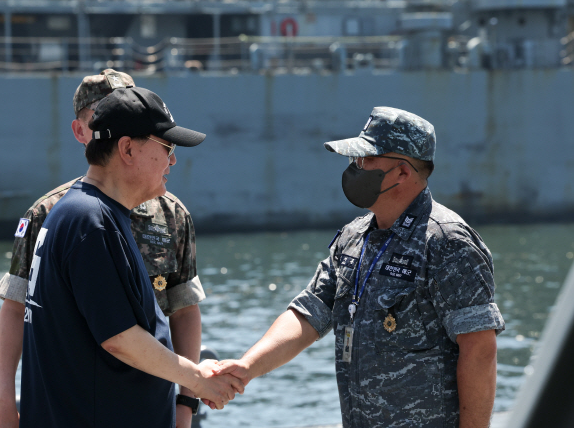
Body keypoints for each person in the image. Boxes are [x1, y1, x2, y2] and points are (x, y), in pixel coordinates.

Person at [215, 107, 505, 428]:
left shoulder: (446, 241)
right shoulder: (354, 236)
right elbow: (308, 313)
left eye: (365, 159)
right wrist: (246, 367)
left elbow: (479, 350)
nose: (355, 167)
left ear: (402, 173)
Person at [0, 70, 207, 428]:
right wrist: (3, 403)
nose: (173, 160)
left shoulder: (170, 213)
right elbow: (19, 310)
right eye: (166, 148)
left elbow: (182, 311)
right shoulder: (62, 214)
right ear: (83, 131)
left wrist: (185, 404)